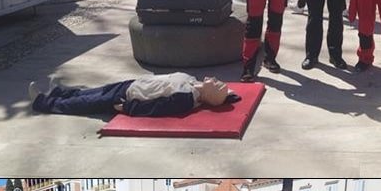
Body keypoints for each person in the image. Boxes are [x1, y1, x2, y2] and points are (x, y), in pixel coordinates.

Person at [28, 73, 234, 117]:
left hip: (129, 98)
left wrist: (129, 108)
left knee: (86, 103)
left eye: (217, 85)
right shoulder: (192, 81)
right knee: (92, 92)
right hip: (133, 85)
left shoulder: (186, 98)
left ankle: (44, 103)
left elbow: (157, 108)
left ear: (209, 97)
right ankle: (60, 93)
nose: (216, 80)